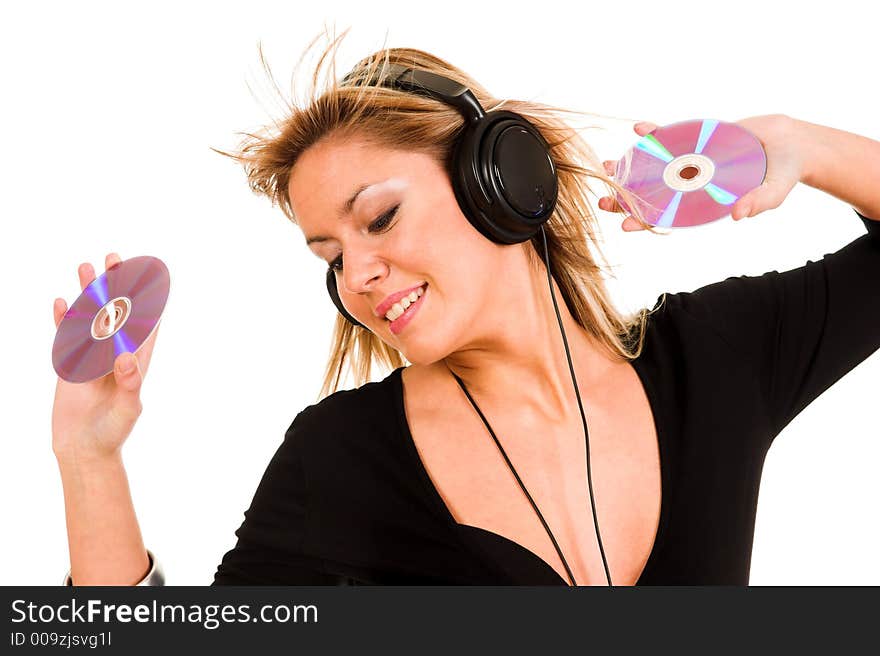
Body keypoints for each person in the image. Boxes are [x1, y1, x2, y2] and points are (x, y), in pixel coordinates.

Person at [53, 34, 880, 586]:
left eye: (379, 218)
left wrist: (803, 143)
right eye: (332, 259)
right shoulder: (343, 459)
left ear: (501, 183)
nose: (359, 276)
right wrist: (90, 460)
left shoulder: (714, 357)